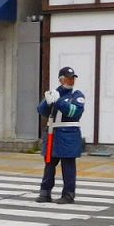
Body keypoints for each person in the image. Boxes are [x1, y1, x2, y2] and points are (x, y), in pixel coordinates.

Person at [36, 66, 86, 204]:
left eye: (72, 79)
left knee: (68, 167)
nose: (70, 81)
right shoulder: (55, 92)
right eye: (67, 78)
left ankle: (68, 195)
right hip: (53, 133)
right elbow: (42, 111)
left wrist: (58, 102)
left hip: (69, 135)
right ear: (61, 79)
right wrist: (47, 101)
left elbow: (74, 112)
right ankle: (45, 193)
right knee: (49, 165)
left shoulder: (77, 95)